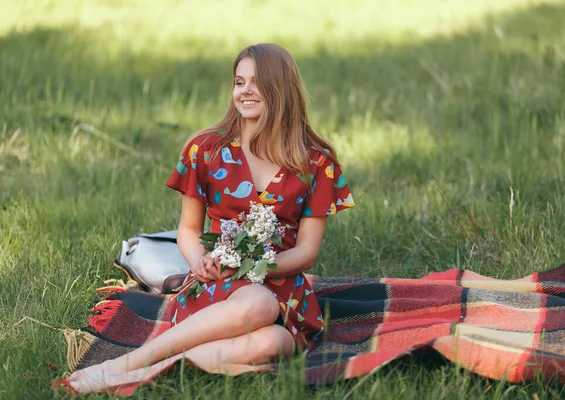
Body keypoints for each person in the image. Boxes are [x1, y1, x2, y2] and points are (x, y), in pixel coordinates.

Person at [65, 43, 355, 393]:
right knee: (258, 305)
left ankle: (150, 370)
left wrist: (254, 268)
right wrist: (200, 261)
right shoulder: (206, 150)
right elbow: (189, 229)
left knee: (273, 343)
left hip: (282, 290)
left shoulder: (315, 163)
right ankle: (127, 363)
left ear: (281, 89)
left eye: (256, 82)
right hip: (216, 283)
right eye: (238, 81)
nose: (244, 90)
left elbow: (307, 252)